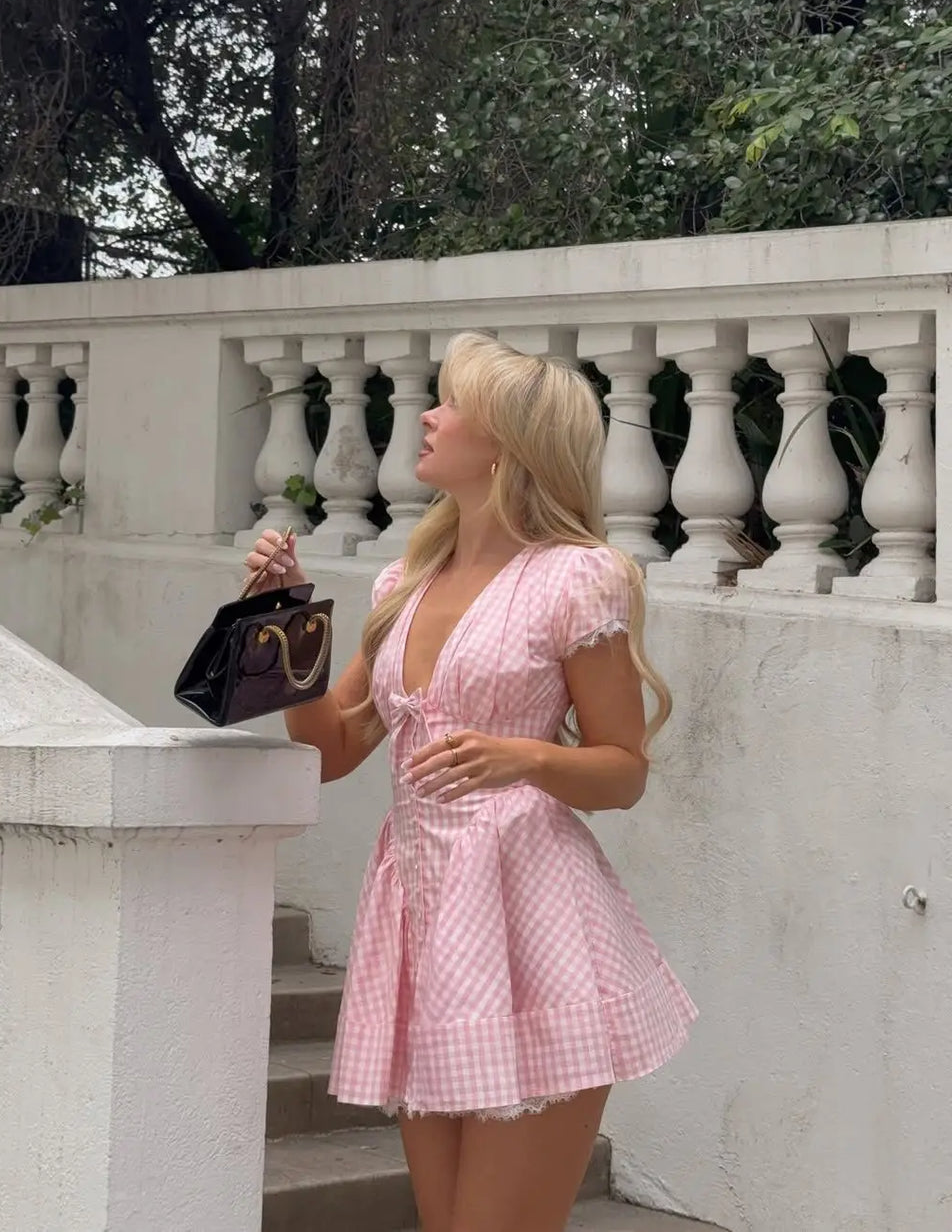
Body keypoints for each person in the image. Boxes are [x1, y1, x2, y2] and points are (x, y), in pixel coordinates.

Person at [245, 331, 697, 1232]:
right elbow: (331, 750)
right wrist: (283, 613)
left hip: (536, 934)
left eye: (452, 405)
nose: (427, 416)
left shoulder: (575, 578)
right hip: (424, 927)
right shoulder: (404, 583)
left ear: (506, 444)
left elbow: (623, 771)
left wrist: (524, 756)